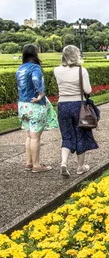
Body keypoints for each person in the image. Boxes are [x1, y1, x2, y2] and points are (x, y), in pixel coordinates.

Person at [54, 45, 98, 177]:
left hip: (62, 105)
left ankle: (64, 163)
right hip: (78, 106)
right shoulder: (81, 71)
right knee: (81, 135)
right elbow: (88, 90)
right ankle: (80, 167)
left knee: (67, 135)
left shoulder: (57, 70)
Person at [16, 44, 59, 173]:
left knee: (29, 136)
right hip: (35, 105)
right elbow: (35, 79)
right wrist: (40, 94)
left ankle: (28, 163)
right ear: (35, 54)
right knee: (35, 137)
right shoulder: (35, 68)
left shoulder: (20, 68)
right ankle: (36, 165)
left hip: (23, 105)